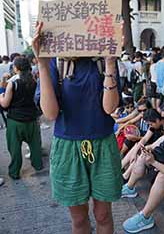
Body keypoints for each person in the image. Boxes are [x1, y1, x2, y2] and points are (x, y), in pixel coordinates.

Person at [32, 22, 122, 234]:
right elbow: (50, 114)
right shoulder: (56, 61)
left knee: (103, 215)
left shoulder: (103, 59)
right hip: (68, 148)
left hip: (103, 146)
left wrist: (110, 63)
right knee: (80, 219)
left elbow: (110, 108)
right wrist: (42, 64)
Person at [0, 56, 43, 179]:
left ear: (16, 68)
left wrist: (1, 95)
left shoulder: (13, 83)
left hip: (15, 121)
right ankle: (38, 165)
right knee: (35, 145)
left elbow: (5, 103)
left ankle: (14, 172)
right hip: (32, 119)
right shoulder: (33, 80)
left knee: (15, 148)